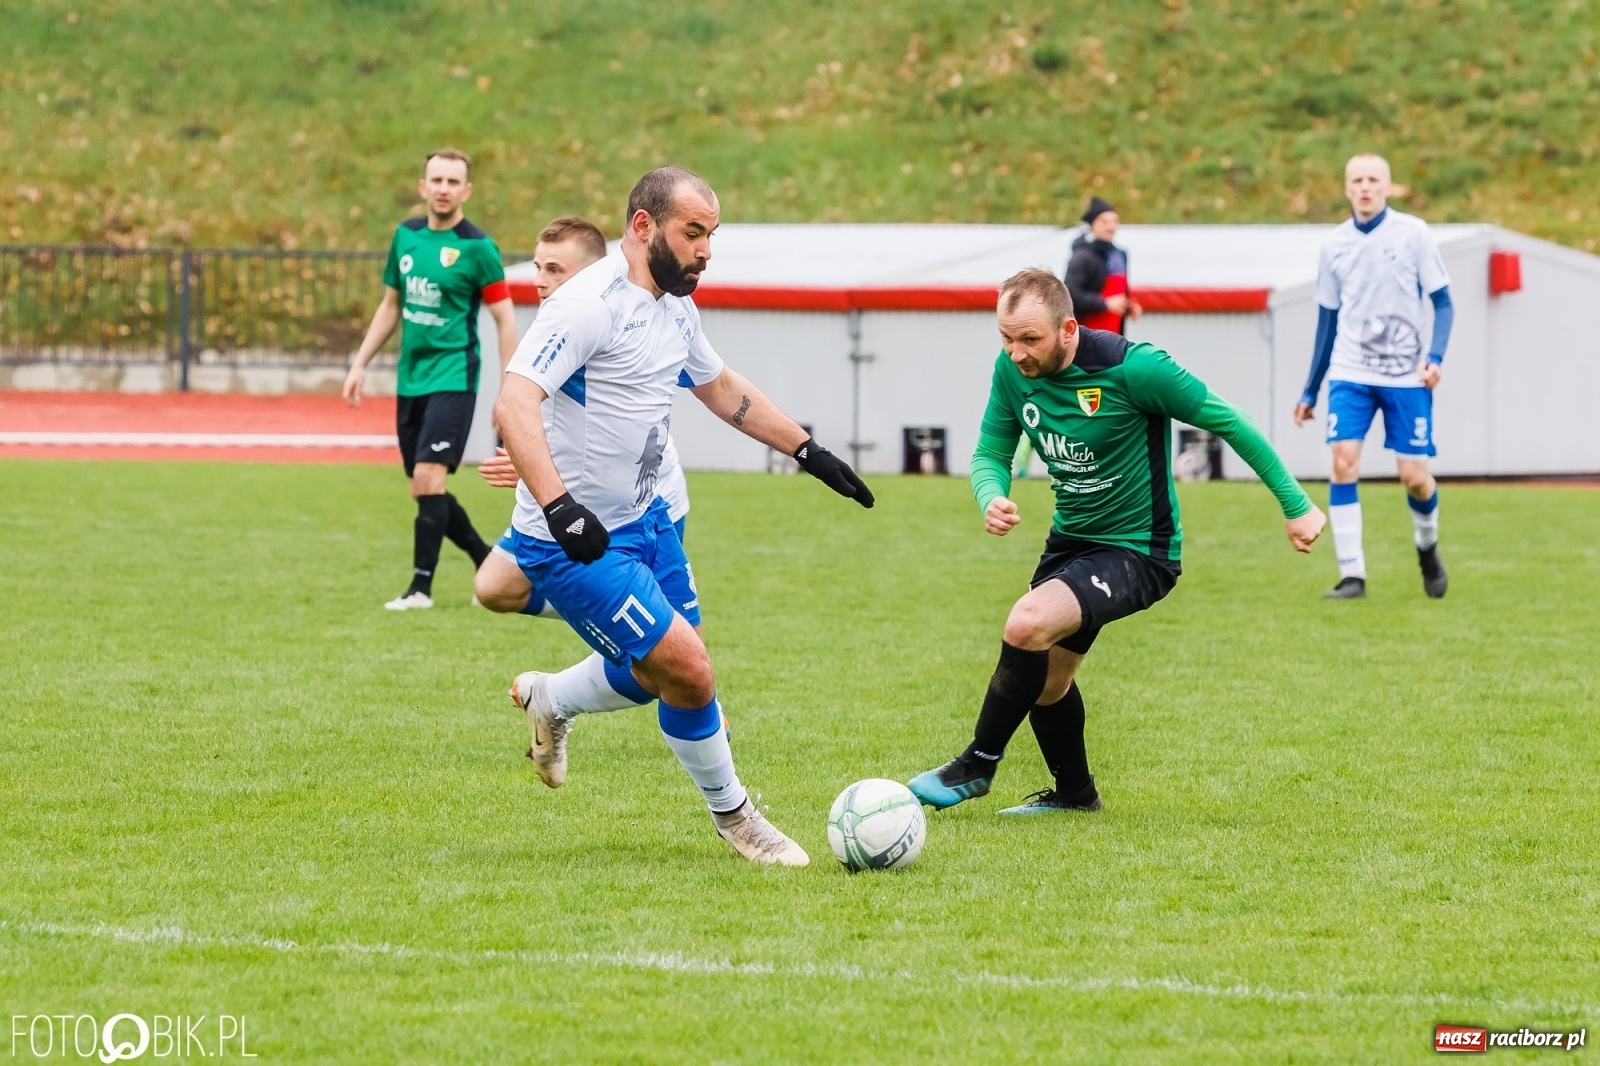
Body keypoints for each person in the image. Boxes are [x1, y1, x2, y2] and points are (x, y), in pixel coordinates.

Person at [495, 166, 875, 866]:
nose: (705, 250)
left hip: (649, 522)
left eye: (711, 235)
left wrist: (808, 450)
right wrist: (561, 507)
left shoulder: (675, 307)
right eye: (693, 233)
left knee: (664, 675)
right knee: (691, 671)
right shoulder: (587, 305)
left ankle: (550, 698)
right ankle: (738, 819)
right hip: (576, 540)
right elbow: (514, 402)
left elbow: (720, 386)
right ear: (644, 226)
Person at [908, 268, 1325, 815]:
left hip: (1139, 550)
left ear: (1068, 329)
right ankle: (1076, 796)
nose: (1016, 353)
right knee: (1047, 682)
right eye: (1006, 338)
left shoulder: (1135, 368)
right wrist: (992, 496)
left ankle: (977, 764)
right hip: (1070, 542)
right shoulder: (1012, 370)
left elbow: (1230, 420)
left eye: (1029, 339)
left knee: (1026, 623)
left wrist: (1296, 506)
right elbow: (991, 450)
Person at [475, 216, 697, 726]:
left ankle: (557, 694)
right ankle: (613, 616)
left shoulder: (612, 314)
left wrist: (804, 450)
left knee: (664, 664)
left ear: (591, 273)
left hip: (644, 503)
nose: (540, 280)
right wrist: (536, 469)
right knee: (493, 587)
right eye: (537, 267)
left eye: (555, 269)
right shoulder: (559, 324)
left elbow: (627, 428)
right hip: (566, 508)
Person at [344, 148, 520, 611]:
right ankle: (488, 561)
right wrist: (359, 363)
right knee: (423, 488)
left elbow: (505, 319)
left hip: (453, 376)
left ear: (467, 190)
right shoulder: (406, 237)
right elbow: (390, 306)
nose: (444, 189)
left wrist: (510, 387)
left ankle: (420, 589)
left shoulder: (478, 248)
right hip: (411, 380)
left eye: (453, 182)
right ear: (423, 187)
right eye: (436, 180)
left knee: (428, 477)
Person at [1294, 153, 1453, 600]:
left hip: (1406, 376)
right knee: (1343, 460)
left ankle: (1427, 547)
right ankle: (1352, 575)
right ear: (1347, 188)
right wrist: (1310, 389)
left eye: (1373, 179)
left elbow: (1443, 302)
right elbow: (1327, 321)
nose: (1365, 187)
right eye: (1357, 180)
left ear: (1387, 186)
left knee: (1415, 477)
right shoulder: (1334, 245)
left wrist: (1435, 357)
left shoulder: (1413, 234)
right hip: (1351, 372)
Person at [1015, 196, 1143, 479]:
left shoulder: (1120, 255)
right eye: (1105, 221)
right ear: (1092, 225)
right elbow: (1069, 296)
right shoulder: (1082, 257)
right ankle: (1029, 444)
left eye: (1115, 221)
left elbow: (1120, 294)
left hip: (1112, 341)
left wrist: (1128, 306)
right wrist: (1105, 304)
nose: (1111, 226)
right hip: (1083, 342)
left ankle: (1099, 462)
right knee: (1066, 401)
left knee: (1105, 402)